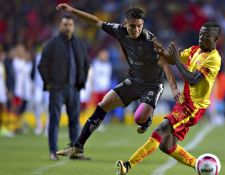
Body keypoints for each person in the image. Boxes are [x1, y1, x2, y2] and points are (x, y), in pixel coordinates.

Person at [55, 4, 180, 158]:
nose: (136, 30)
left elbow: (165, 65)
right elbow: (95, 22)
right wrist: (73, 11)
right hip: (134, 80)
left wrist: (174, 88)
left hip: (152, 85)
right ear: (125, 23)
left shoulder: (150, 42)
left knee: (139, 118)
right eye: (132, 26)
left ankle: (145, 119)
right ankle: (77, 147)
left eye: (139, 26)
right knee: (103, 105)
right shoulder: (119, 31)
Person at [115, 22, 222, 175]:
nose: (201, 38)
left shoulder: (214, 59)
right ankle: (199, 165)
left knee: (161, 129)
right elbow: (172, 59)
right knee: (166, 145)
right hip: (184, 102)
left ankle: (128, 165)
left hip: (194, 107)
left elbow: (192, 79)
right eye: (200, 34)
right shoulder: (194, 50)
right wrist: (162, 51)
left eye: (206, 36)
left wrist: (176, 60)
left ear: (216, 38)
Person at [38, 15, 90, 160]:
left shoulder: (79, 44)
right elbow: (42, 65)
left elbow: (86, 65)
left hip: (74, 88)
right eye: (65, 24)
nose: (68, 27)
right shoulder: (52, 44)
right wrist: (49, 83)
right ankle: (53, 151)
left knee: (74, 121)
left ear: (73, 27)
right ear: (60, 26)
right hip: (57, 88)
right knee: (54, 120)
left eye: (70, 25)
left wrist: (82, 81)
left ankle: (75, 152)